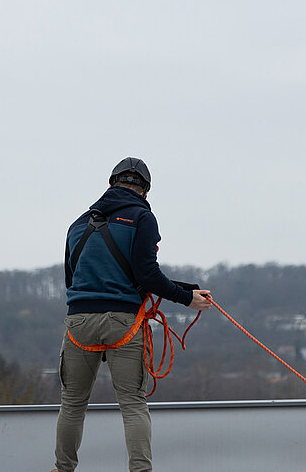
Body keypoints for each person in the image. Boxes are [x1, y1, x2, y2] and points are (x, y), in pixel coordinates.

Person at [52, 157, 212, 472]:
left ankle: (62, 468)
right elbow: (146, 274)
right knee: (133, 405)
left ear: (111, 184)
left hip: (79, 321)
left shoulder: (77, 224)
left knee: (72, 406)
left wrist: (182, 289)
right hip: (123, 323)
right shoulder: (142, 218)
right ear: (146, 191)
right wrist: (186, 298)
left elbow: (72, 278)